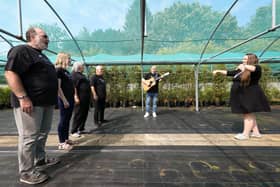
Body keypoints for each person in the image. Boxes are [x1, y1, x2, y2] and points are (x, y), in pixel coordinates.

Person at [4, 27, 59, 184]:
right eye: (44, 36)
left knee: (42, 133)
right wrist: (23, 97)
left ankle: (40, 159)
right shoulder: (22, 50)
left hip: (45, 102)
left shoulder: (41, 56)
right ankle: (26, 172)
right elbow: (10, 73)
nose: (48, 39)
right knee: (29, 137)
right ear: (32, 37)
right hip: (30, 102)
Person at [213, 53, 271, 140]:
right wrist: (218, 71)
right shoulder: (243, 70)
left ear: (251, 60)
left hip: (251, 94)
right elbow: (230, 73)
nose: (242, 60)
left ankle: (245, 134)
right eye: (243, 59)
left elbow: (253, 68)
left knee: (247, 114)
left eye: (245, 59)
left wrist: (244, 66)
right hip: (244, 95)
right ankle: (256, 133)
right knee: (249, 113)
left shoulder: (256, 68)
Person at [55, 52, 75, 149]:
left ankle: (66, 139)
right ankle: (61, 142)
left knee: (67, 119)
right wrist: (64, 100)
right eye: (69, 58)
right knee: (63, 120)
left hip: (70, 98)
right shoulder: (58, 71)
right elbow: (58, 87)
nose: (70, 60)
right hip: (64, 99)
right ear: (63, 59)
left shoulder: (66, 71)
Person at [71, 61, 91, 136]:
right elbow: (74, 87)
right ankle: (74, 130)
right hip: (80, 98)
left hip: (85, 98)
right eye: (82, 66)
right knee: (78, 114)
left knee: (84, 113)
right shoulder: (74, 75)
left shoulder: (81, 75)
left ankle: (81, 128)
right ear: (79, 67)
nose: (83, 67)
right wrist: (75, 97)